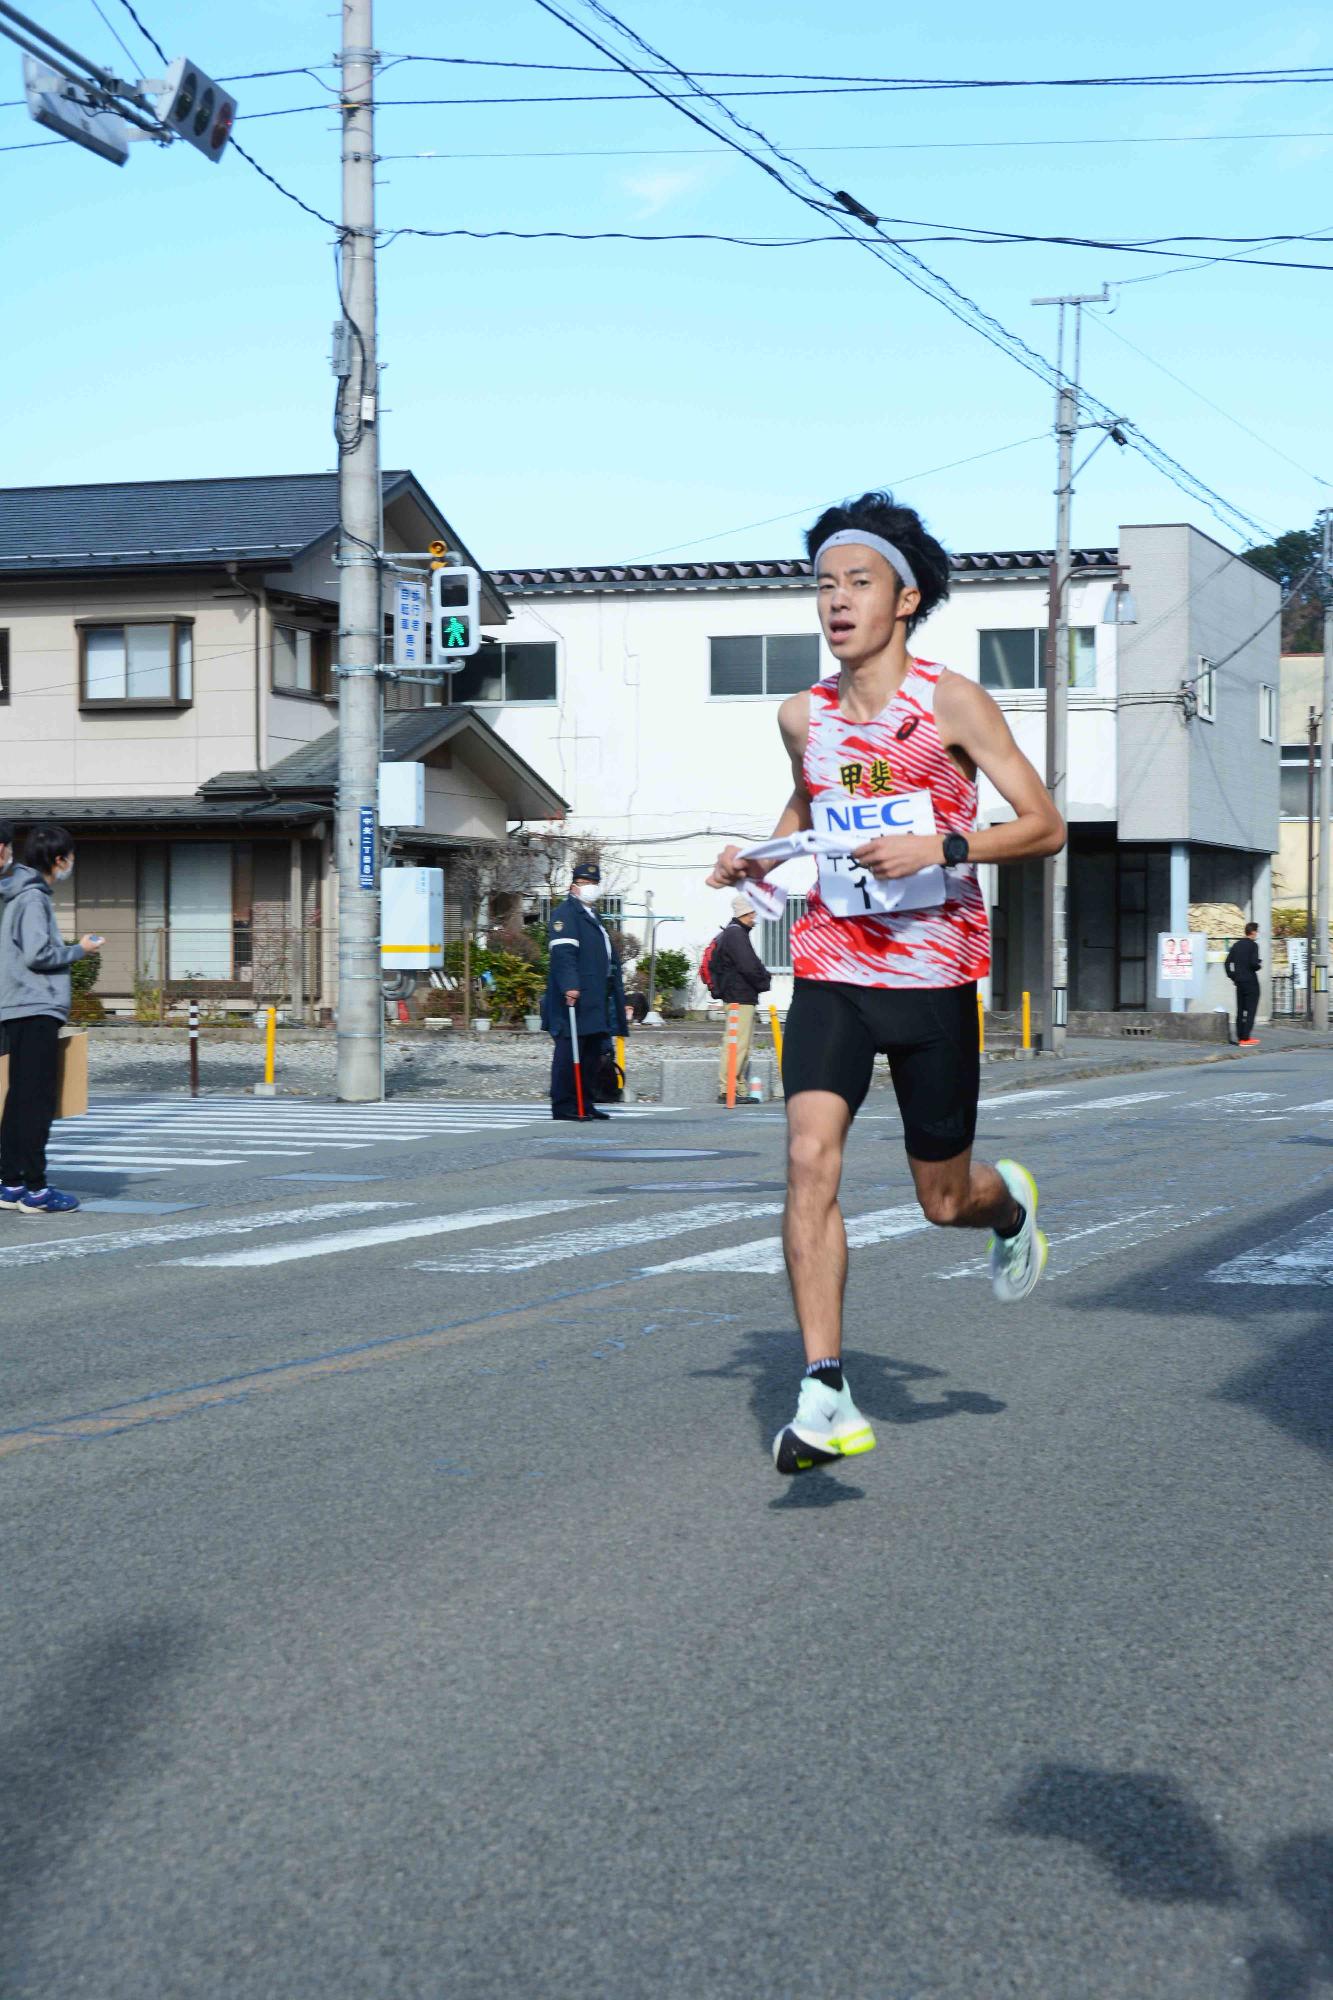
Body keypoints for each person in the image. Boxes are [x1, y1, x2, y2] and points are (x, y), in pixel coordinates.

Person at [708, 491, 1065, 1475]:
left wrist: (940, 842)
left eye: (856, 582)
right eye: (822, 584)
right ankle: (823, 1388)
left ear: (903, 598)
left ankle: (1008, 1207)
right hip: (831, 965)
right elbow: (809, 807)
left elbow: (1042, 823)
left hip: (935, 974)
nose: (835, 600)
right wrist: (761, 859)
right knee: (806, 1159)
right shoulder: (801, 715)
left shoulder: (950, 702)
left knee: (940, 1199)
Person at [0, 822, 100, 1216]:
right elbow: (38, 954)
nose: (71, 864)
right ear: (58, 860)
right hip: (35, 1006)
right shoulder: (32, 899)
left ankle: (9, 1183)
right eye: (70, 857)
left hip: (15, 1005)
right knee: (36, 1101)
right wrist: (81, 950)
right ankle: (37, 1190)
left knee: (19, 1097)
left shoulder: (13, 894)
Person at [541, 860, 628, 1123]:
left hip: (595, 996)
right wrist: (570, 985)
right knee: (569, 1052)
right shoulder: (566, 914)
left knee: (591, 1052)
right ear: (573, 886)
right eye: (585, 883)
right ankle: (565, 1104)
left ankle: (585, 1101)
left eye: (593, 884)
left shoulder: (593, 916)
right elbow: (563, 953)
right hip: (575, 997)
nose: (590, 888)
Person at [711, 893, 772, 1103]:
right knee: (736, 1043)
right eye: (753, 911)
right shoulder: (736, 935)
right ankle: (728, 1088)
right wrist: (764, 981)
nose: (755, 916)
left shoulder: (734, 933)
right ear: (745, 912)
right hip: (739, 996)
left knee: (740, 1044)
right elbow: (749, 966)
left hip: (740, 996)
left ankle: (735, 1087)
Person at [1225, 922, 1262, 1047]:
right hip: (1251, 981)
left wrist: (1232, 976)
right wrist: (1258, 964)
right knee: (1251, 1010)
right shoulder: (1253, 946)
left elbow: (1227, 963)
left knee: (1240, 1009)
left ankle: (1240, 1036)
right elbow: (1253, 964)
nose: (1257, 934)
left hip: (1239, 982)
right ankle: (1246, 1038)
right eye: (1256, 931)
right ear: (1253, 932)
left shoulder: (1236, 945)